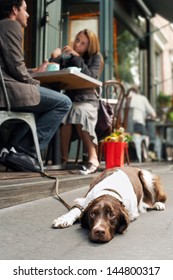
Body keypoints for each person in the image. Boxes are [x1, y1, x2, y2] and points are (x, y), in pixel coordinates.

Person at [0, 0, 72, 172]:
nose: (28, 14)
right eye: (25, 9)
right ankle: (24, 152)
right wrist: (35, 83)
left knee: (41, 104)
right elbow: (17, 67)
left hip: (5, 89)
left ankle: (10, 149)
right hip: (7, 92)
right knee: (64, 102)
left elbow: (10, 65)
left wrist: (34, 70)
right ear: (14, 9)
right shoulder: (10, 25)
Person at [49, 29, 103, 174]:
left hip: (88, 101)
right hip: (70, 100)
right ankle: (63, 159)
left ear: (89, 46)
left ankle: (93, 158)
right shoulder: (68, 56)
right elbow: (53, 70)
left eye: (82, 43)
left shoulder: (95, 57)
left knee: (78, 111)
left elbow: (91, 76)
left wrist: (76, 56)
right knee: (64, 109)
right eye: (77, 39)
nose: (77, 43)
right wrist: (56, 57)